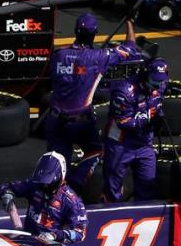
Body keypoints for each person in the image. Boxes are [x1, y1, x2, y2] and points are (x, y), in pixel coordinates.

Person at [45, 13, 137, 194]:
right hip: (80, 121)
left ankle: (52, 195)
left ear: (75, 31)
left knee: (55, 163)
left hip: (55, 120)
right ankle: (75, 184)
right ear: (94, 33)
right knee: (97, 150)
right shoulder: (99, 57)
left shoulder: (58, 54)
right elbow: (131, 47)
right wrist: (129, 21)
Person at [101, 59, 167, 202]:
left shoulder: (160, 85)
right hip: (120, 144)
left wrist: (159, 116)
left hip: (144, 144)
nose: (157, 85)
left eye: (160, 81)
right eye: (154, 81)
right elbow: (124, 122)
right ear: (144, 74)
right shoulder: (123, 91)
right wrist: (149, 117)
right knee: (113, 190)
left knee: (147, 185)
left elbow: (158, 105)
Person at [0, 151, 87, 244]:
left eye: (49, 184)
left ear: (60, 178)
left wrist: (55, 235)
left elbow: (80, 233)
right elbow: (6, 187)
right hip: (28, 240)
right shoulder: (34, 185)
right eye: (42, 183)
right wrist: (7, 197)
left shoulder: (72, 201)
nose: (45, 186)